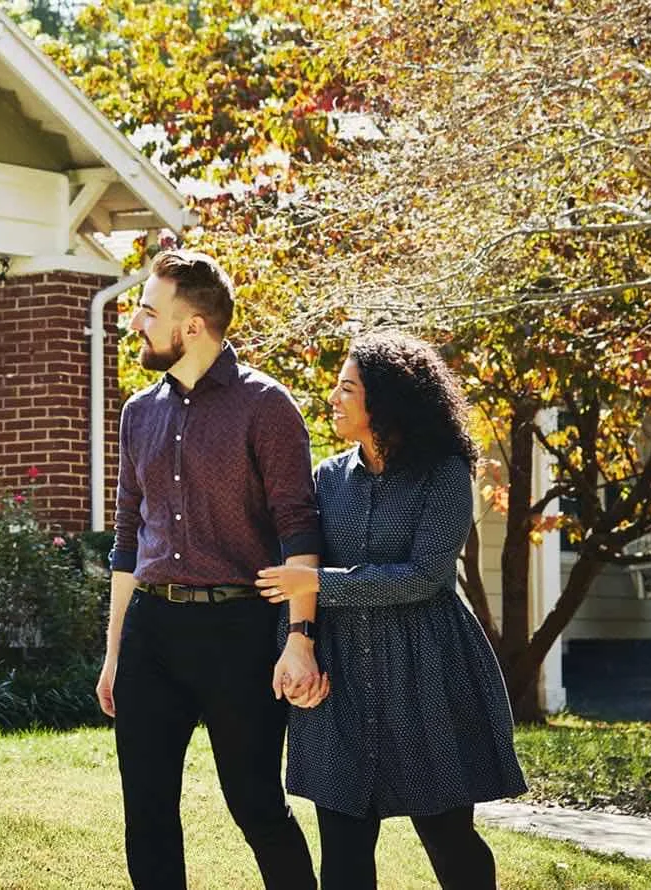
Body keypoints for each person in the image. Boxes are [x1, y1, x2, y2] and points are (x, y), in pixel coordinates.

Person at [256, 330, 527, 890]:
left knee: (449, 838)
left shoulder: (446, 472)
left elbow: (427, 577)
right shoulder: (328, 478)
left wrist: (318, 584)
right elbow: (299, 569)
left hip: (427, 670)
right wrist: (297, 642)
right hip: (341, 677)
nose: (333, 397)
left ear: (386, 401)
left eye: (347, 387)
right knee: (344, 847)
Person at [100, 249, 326, 889]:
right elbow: (126, 536)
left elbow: (298, 527)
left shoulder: (266, 406)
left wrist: (300, 640)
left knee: (254, 805)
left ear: (192, 325)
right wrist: (116, 652)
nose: (137, 321)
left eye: (149, 310)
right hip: (152, 633)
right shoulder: (139, 413)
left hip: (240, 634)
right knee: (145, 812)